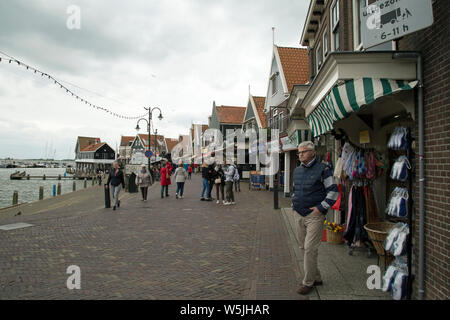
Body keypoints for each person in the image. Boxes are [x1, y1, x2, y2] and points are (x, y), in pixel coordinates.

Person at [292, 141, 338, 295]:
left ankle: (308, 282)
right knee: (303, 247)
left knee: (310, 248)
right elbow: (295, 189)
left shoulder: (323, 169)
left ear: (312, 152)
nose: (300, 155)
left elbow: (333, 191)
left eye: (303, 152)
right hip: (298, 213)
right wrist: (294, 204)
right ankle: (317, 277)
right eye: (299, 152)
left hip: (314, 216)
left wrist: (321, 208)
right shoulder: (297, 170)